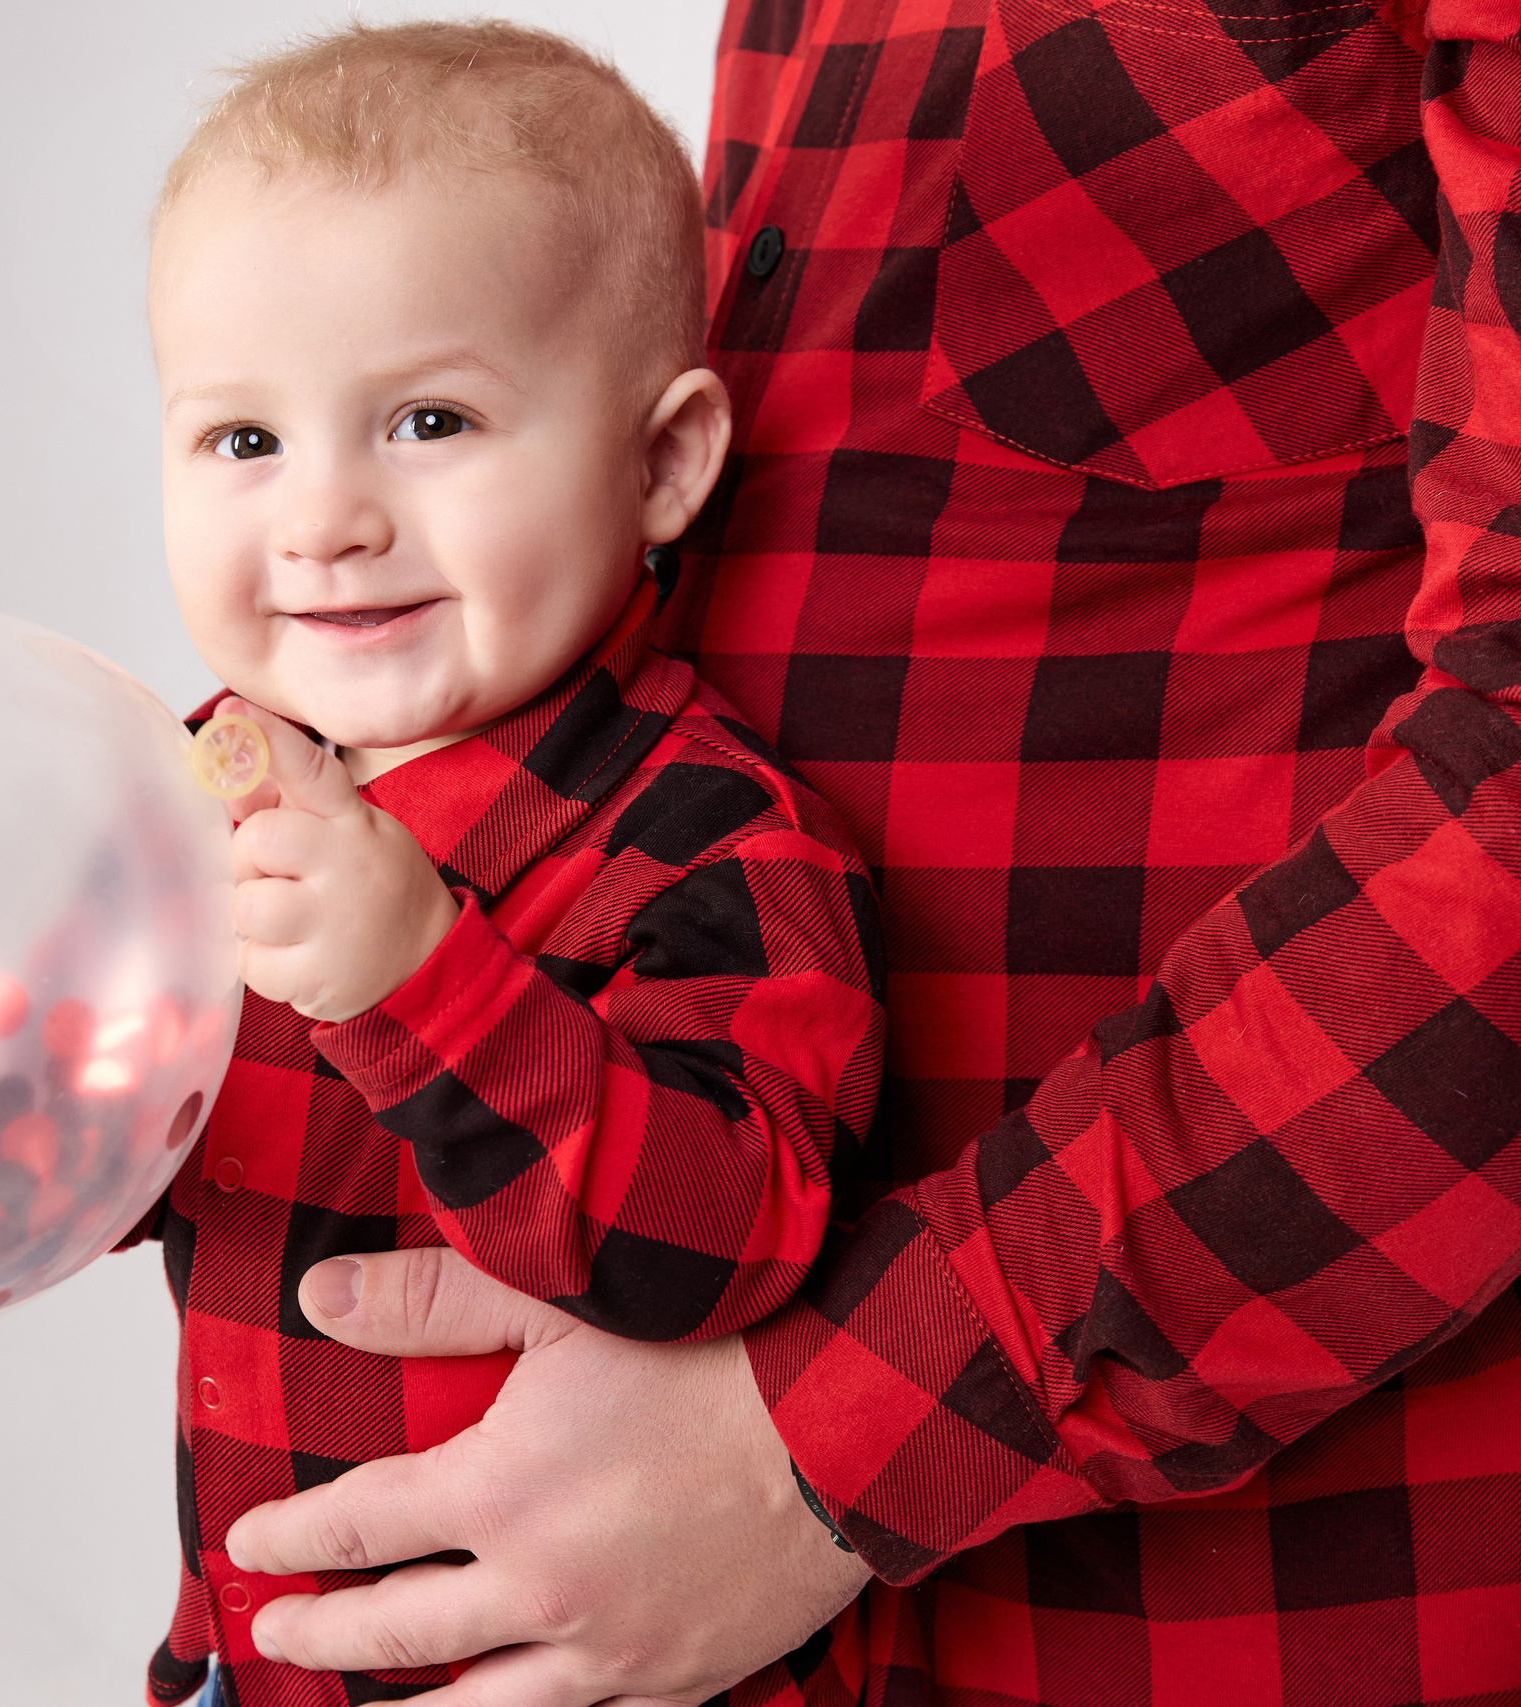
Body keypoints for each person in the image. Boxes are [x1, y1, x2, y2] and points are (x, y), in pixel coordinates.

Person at [211, 1, 1521, 1702]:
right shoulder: (272, 766)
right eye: (237, 441)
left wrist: (820, 1445)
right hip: (604, 1578)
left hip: (1210, 1589)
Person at [133, 20, 890, 1705]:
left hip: (575, 1666)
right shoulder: (205, 786)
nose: (324, 518)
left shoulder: (709, 841)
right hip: (251, 1640)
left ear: (663, 462)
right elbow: (135, 1138)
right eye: (244, 441)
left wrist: (420, 980)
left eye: (428, 417)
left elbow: (727, 1247)